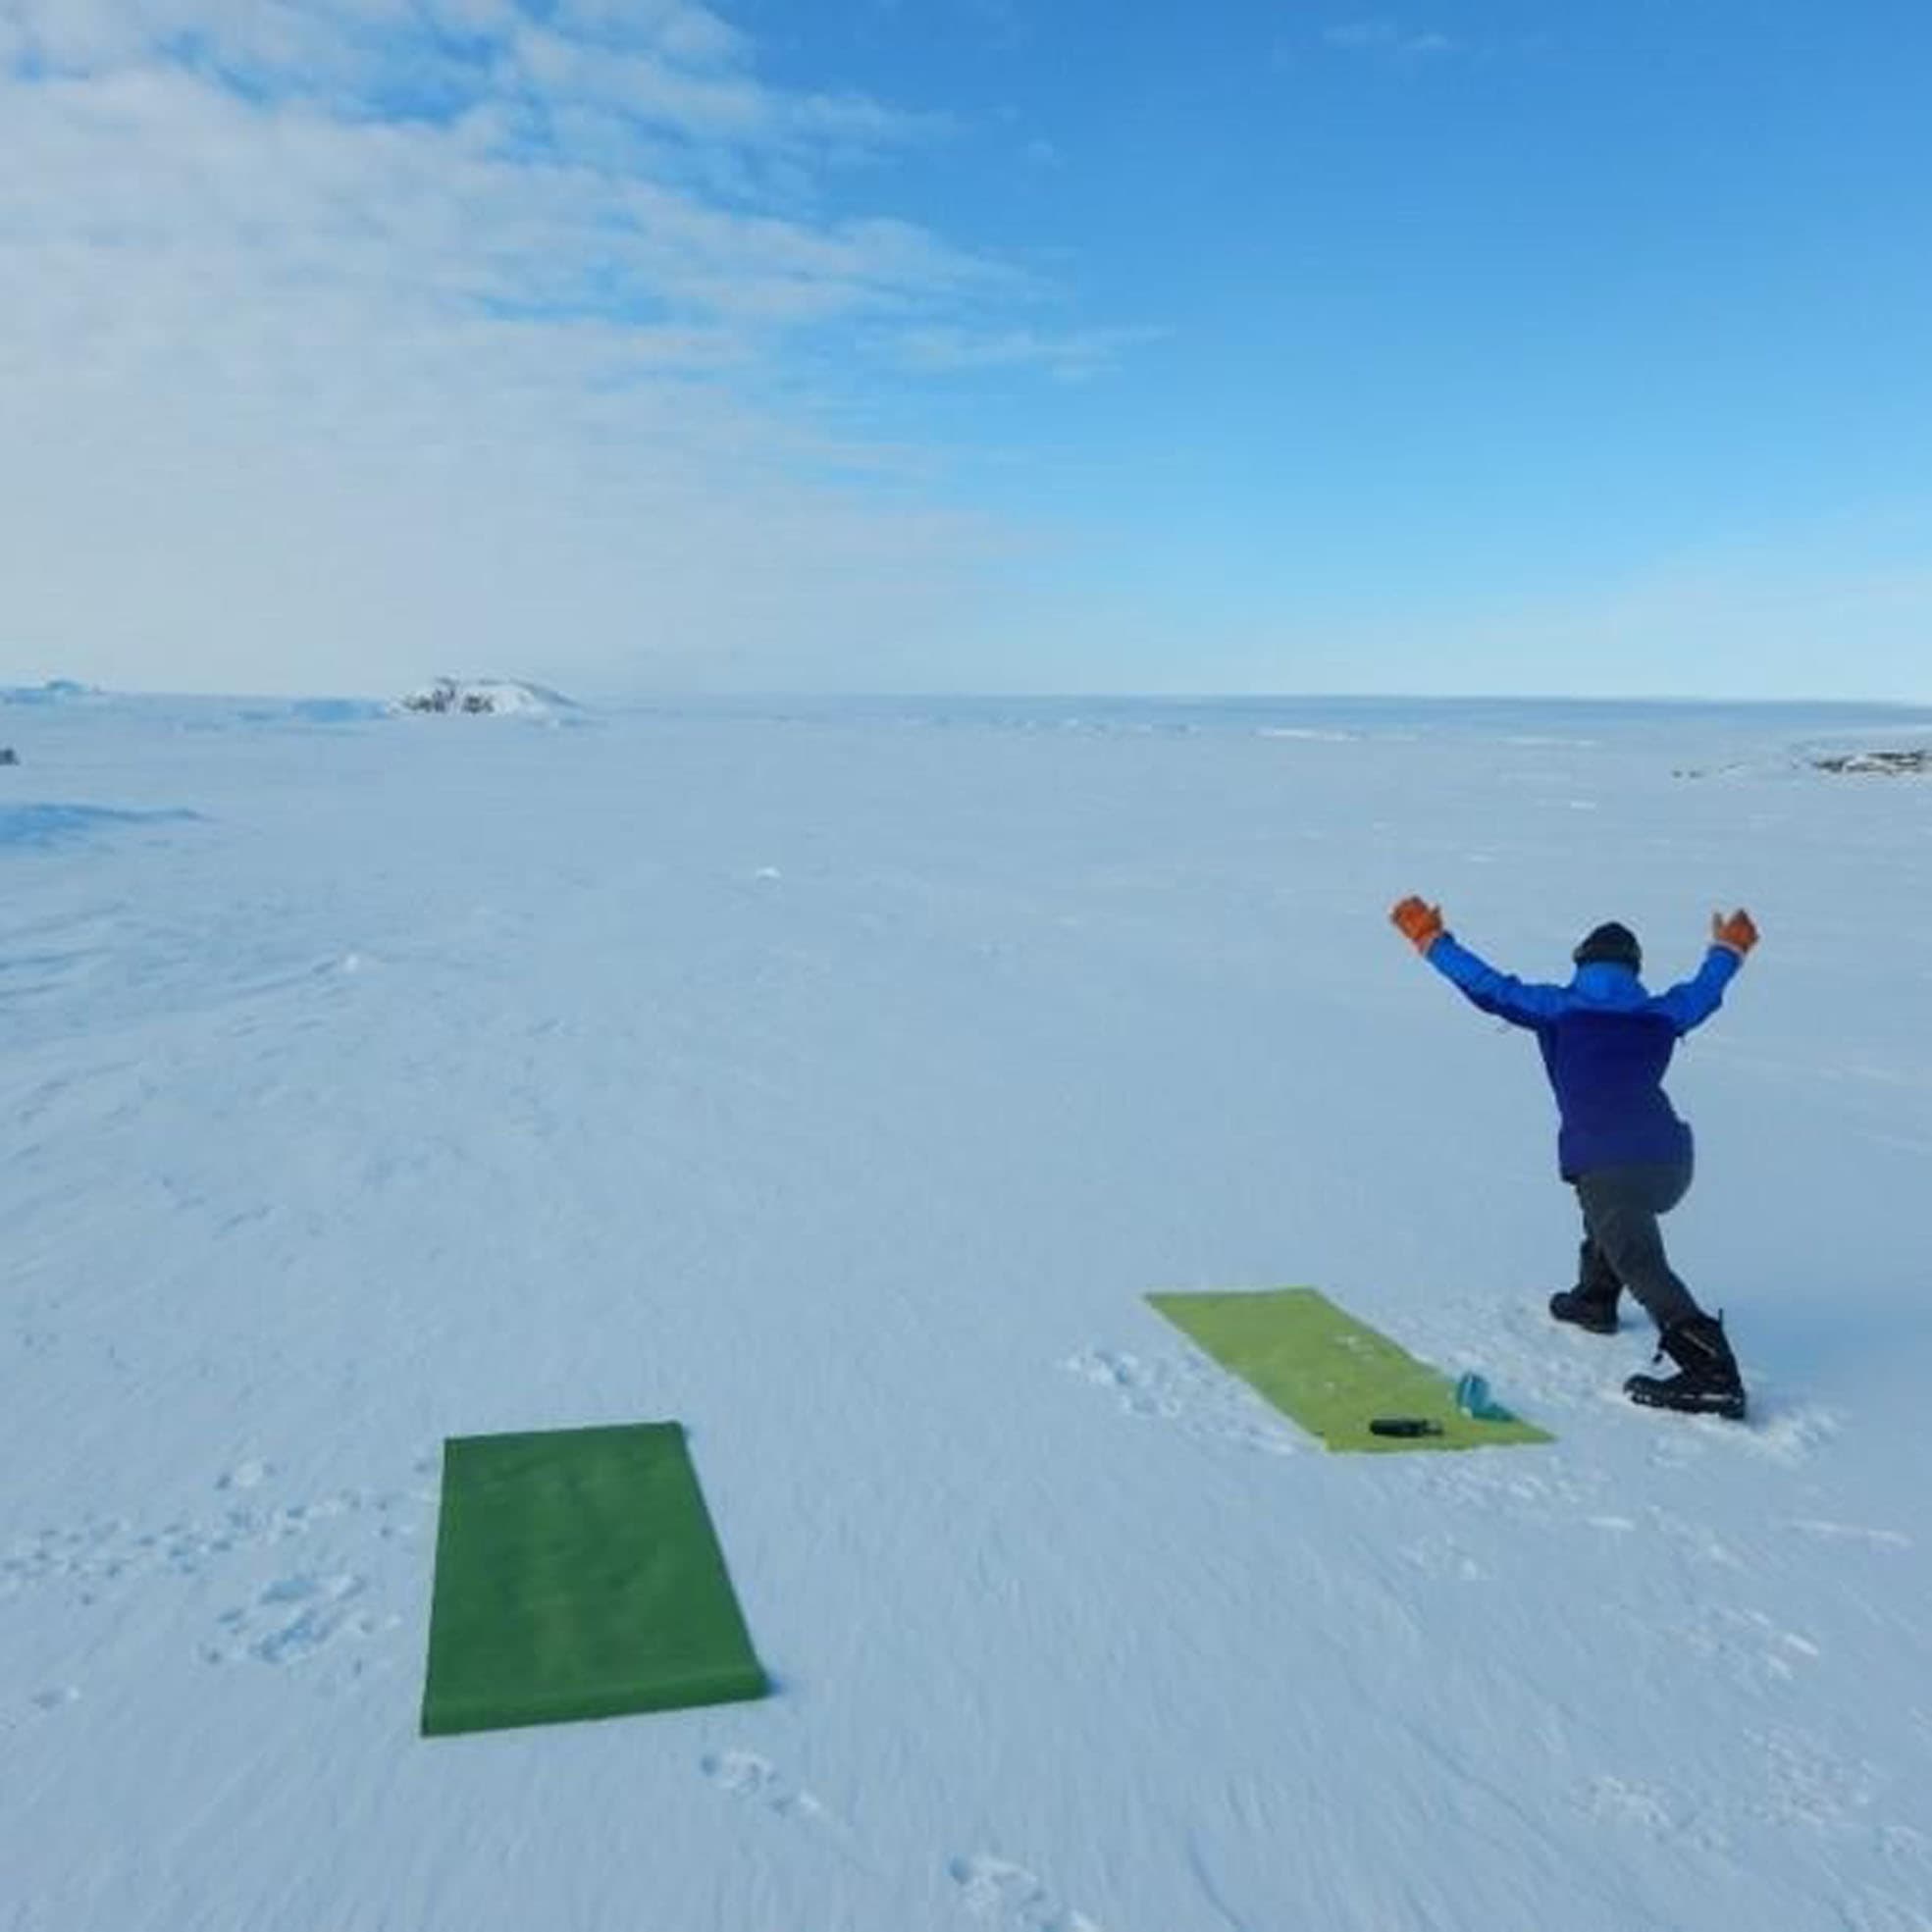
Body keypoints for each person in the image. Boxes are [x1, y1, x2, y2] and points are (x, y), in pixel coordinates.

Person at [1387, 897, 1759, 1420]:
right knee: (1610, 1211)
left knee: (1639, 1257)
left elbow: (1488, 986)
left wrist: (1432, 940)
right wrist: (1729, 949)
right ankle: (1595, 1297)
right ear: (1633, 970)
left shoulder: (1558, 1007)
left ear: (1581, 964)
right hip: (1672, 1161)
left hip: (1609, 1160)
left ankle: (1712, 1373)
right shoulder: (1660, 1012)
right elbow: (1706, 990)